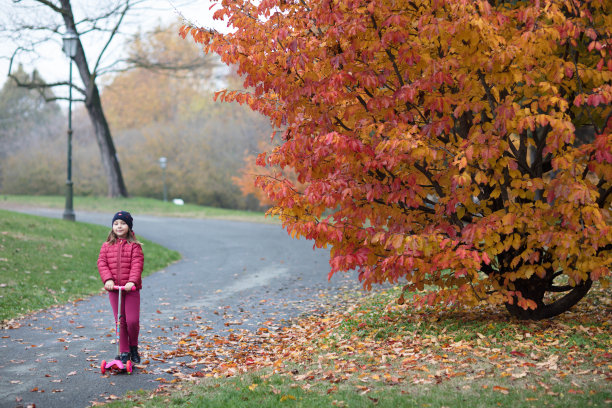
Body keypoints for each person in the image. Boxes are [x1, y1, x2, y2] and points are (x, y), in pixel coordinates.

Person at [97, 211, 144, 365]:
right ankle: (123, 351)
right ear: (112, 227)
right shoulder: (106, 246)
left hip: (130, 290)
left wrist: (132, 282)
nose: (119, 226)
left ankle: (133, 348)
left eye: (123, 223)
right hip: (114, 289)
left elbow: (137, 265)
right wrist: (108, 279)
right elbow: (102, 263)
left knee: (132, 321)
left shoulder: (135, 246)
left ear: (129, 227)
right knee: (120, 320)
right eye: (116, 223)